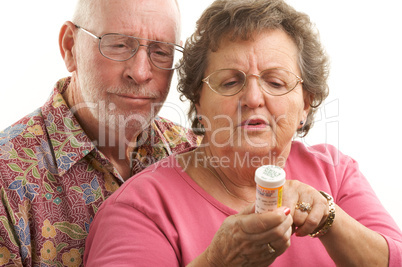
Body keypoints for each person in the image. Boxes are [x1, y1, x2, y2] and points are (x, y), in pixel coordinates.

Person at [84, 0, 402, 266]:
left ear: (306, 103)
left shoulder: (335, 172)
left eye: (275, 82)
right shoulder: (140, 208)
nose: (252, 99)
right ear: (198, 102)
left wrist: (328, 217)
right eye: (230, 82)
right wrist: (218, 261)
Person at [0, 0, 200, 266]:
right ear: (70, 47)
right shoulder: (7, 177)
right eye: (118, 45)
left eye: (160, 51)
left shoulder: (195, 153)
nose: (140, 73)